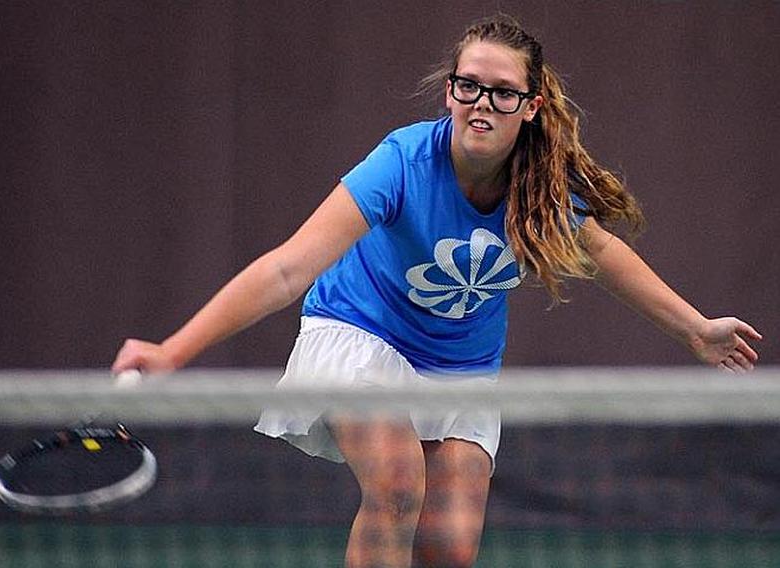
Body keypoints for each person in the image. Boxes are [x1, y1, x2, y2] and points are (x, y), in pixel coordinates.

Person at [112, 15, 762, 568]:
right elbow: (288, 269)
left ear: (531, 106)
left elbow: (608, 257)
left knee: (450, 547)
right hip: (359, 334)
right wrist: (173, 352)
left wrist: (695, 330)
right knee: (396, 487)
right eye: (468, 86)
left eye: (502, 92)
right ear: (450, 93)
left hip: (459, 367)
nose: (482, 102)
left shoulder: (537, 189)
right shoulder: (401, 162)